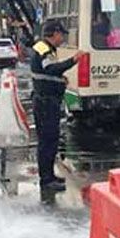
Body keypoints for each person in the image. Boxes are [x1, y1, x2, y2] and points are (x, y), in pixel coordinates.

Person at [30, 20, 85, 193]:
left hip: (49, 101)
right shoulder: (42, 48)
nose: (63, 38)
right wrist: (73, 60)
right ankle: (46, 180)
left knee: (52, 140)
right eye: (61, 35)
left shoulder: (48, 48)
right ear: (54, 34)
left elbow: (48, 73)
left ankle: (50, 176)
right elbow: (51, 69)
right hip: (45, 102)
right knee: (47, 142)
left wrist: (60, 80)